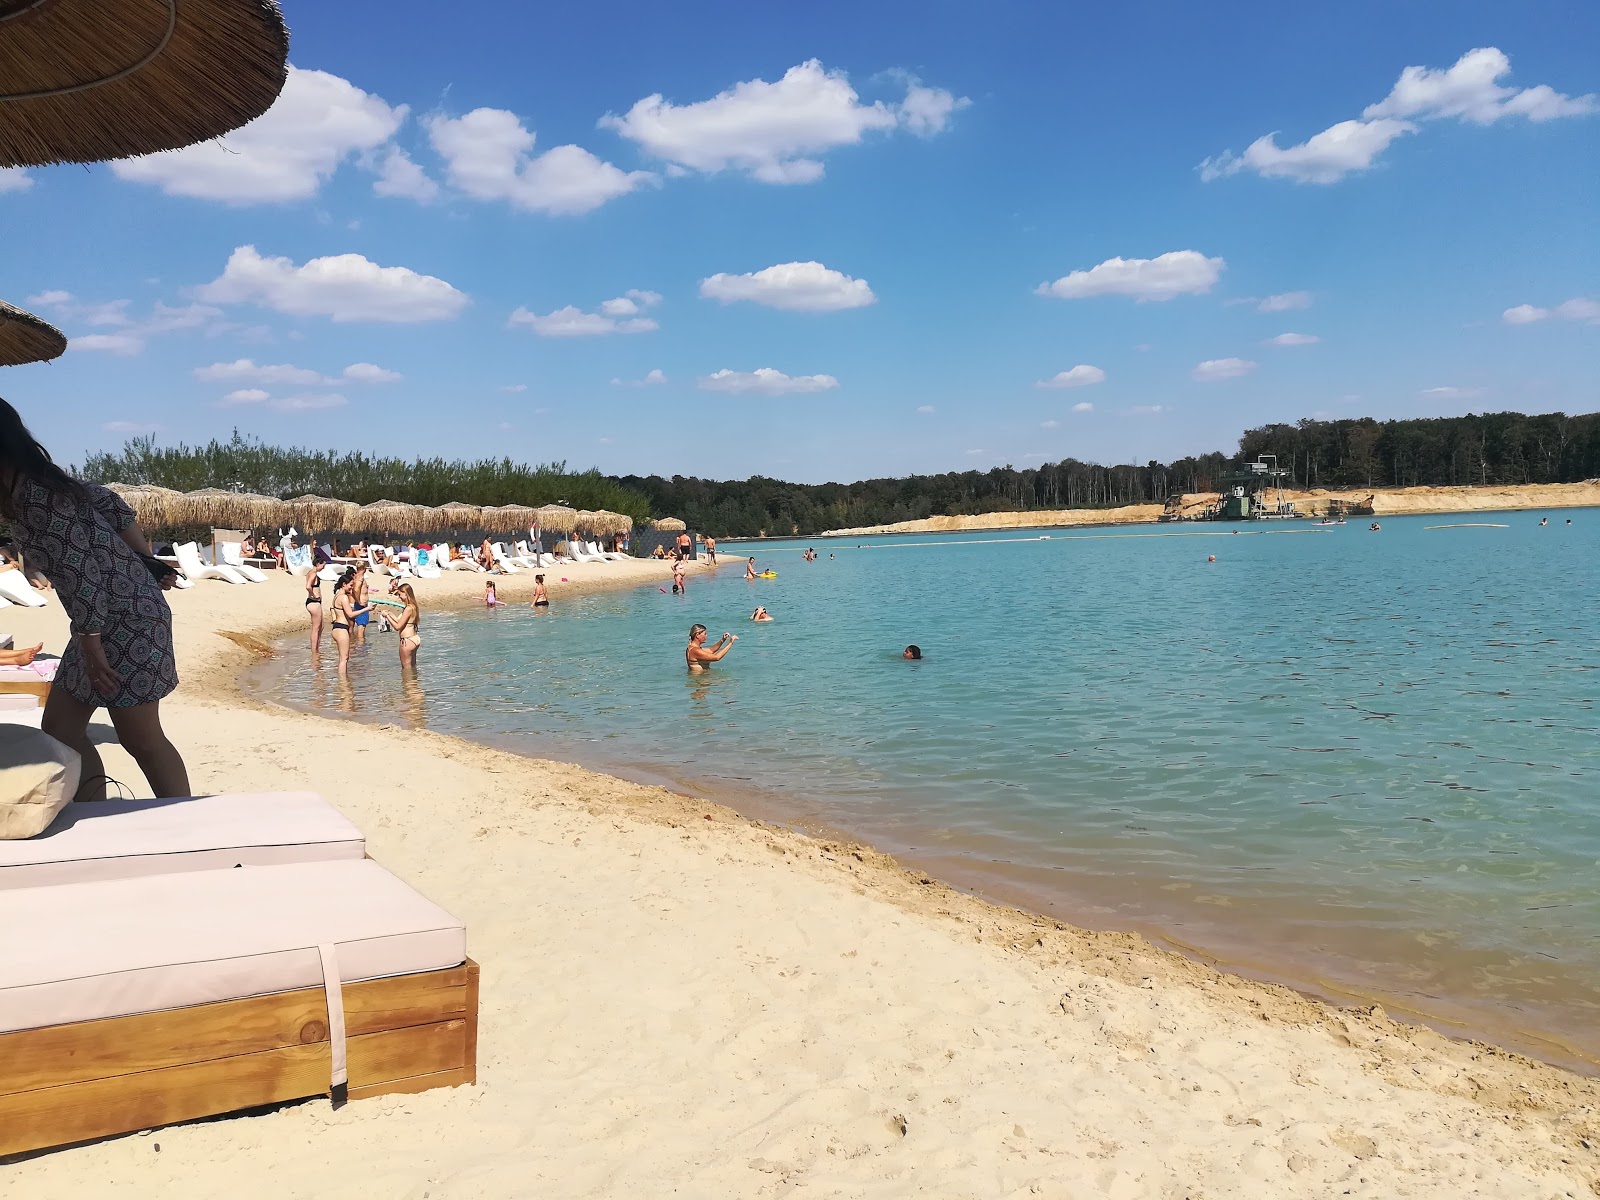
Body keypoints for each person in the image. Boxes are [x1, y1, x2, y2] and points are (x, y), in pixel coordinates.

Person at [0, 398, 188, 800]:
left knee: (141, 739)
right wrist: (146, 562)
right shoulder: (41, 486)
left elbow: (82, 573)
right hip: (106, 618)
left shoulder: (36, 497)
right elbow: (109, 504)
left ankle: (186, 822)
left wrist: (91, 646)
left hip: (124, 618)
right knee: (61, 733)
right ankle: (96, 812)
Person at [330, 568, 368, 674]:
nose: (352, 588)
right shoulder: (343, 598)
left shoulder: (336, 595)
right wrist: (366, 609)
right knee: (344, 659)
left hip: (336, 628)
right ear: (343, 584)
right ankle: (343, 684)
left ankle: (343, 683)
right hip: (342, 629)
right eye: (350, 585)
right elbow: (350, 614)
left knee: (343, 658)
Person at [387, 583, 422, 667]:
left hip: (407, 640)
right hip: (414, 638)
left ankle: (407, 680)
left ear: (405, 594)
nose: (399, 597)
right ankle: (414, 680)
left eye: (400, 594)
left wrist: (387, 617)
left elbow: (397, 627)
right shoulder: (413, 607)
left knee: (406, 669)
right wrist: (390, 614)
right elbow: (402, 621)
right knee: (412, 666)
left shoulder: (408, 609)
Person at [305, 562, 325, 652]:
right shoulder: (313, 574)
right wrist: (313, 595)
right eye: (323, 565)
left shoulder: (310, 572)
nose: (323, 568)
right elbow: (308, 586)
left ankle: (317, 648)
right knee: (316, 628)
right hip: (314, 602)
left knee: (321, 626)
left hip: (314, 602)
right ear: (318, 564)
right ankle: (314, 651)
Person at [352, 562, 372, 643]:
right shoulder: (360, 578)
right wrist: (359, 601)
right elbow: (356, 590)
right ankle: (361, 646)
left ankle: (359, 644)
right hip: (361, 605)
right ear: (365, 568)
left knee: (361, 626)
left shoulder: (356, 576)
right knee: (361, 627)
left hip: (360, 604)